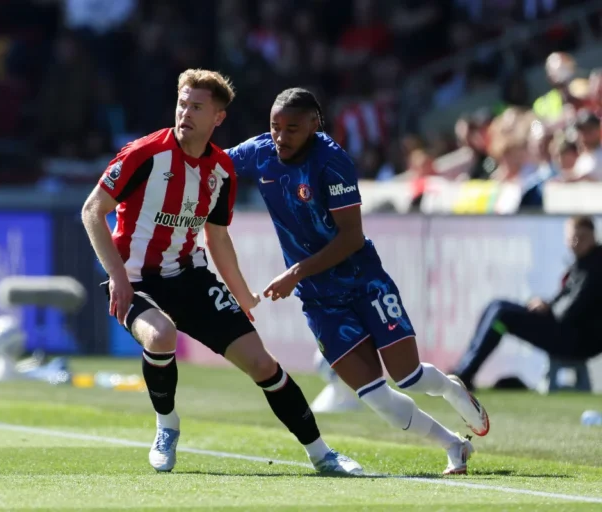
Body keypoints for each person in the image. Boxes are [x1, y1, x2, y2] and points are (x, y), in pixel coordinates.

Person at [81, 70, 361, 475]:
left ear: (218, 117)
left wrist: (242, 295)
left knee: (262, 365)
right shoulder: (143, 154)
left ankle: (322, 454)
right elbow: (92, 210)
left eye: (196, 107)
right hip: (134, 278)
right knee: (160, 336)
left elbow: (217, 237)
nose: (185, 113)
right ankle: (166, 426)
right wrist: (119, 279)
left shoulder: (221, 170)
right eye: (182, 104)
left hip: (190, 277)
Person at [226, 88, 490, 475]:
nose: (280, 137)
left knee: (409, 377)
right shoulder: (259, 152)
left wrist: (295, 272)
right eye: (274, 127)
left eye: (291, 129)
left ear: (314, 125)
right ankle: (454, 445)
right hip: (319, 300)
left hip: (364, 283)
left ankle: (451, 388)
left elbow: (351, 237)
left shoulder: (332, 161)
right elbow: (209, 162)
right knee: (375, 396)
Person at [453, 215, 602, 390]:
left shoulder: (595, 266)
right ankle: (463, 369)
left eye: (580, 238)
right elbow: (565, 299)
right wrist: (547, 305)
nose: (575, 243)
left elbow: (572, 309)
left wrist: (548, 308)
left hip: (578, 340)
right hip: (566, 330)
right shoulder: (583, 262)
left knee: (502, 315)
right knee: (495, 306)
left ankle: (466, 373)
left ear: (593, 236)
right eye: (571, 239)